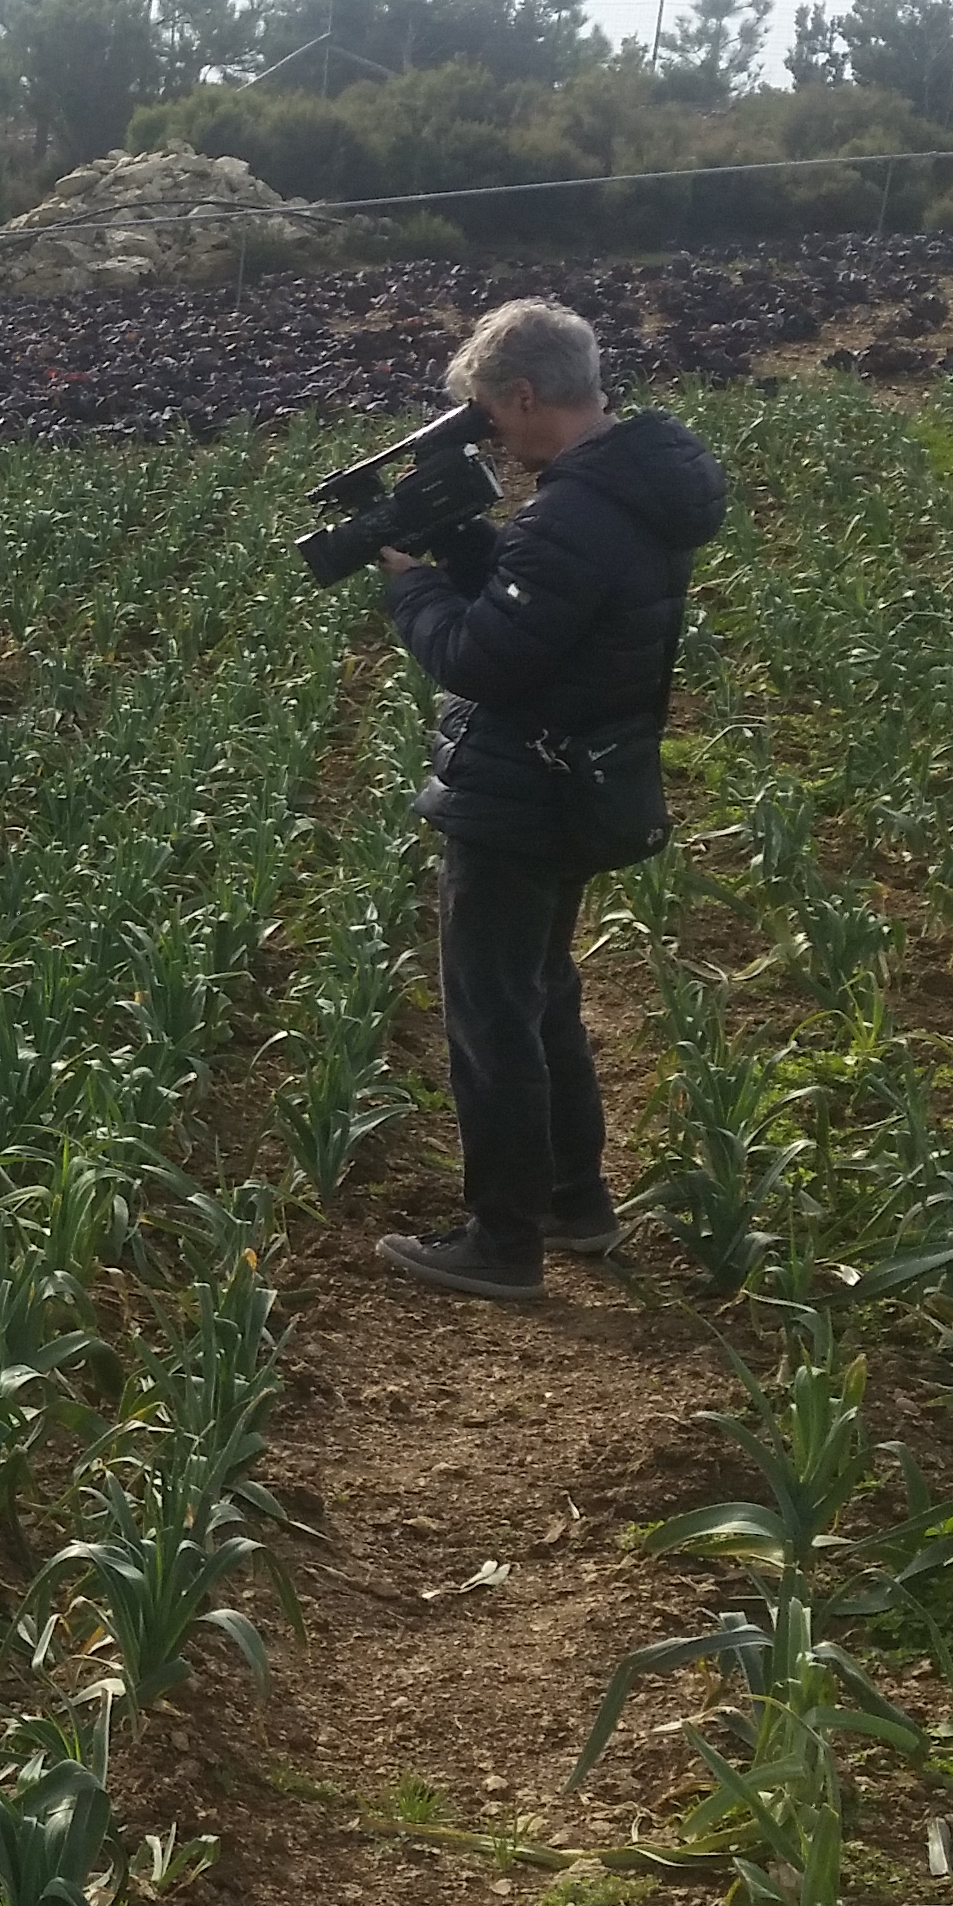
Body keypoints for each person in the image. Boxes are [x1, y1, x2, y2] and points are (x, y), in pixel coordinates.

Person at [368, 298, 724, 1301]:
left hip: (520, 792)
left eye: (489, 413)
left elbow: (481, 658)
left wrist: (409, 586)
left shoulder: (574, 509)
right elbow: (549, 608)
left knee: (490, 1014)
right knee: (540, 995)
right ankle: (573, 1200)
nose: (490, 435)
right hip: (581, 775)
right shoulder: (632, 488)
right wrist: (475, 551)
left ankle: (501, 1240)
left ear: (525, 396)